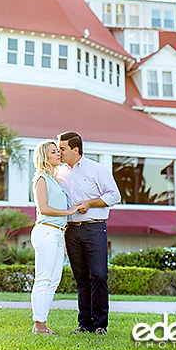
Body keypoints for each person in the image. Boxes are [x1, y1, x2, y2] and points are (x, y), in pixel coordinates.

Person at [56, 131, 121, 336]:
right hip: (71, 230)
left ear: (75, 150)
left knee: (99, 276)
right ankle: (84, 324)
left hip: (94, 227)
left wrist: (90, 203)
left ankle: (100, 325)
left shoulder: (96, 169)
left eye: (62, 149)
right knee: (81, 278)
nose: (59, 152)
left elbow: (114, 195)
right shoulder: (58, 173)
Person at [30, 139, 81, 335]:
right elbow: (44, 208)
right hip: (46, 231)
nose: (58, 154)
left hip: (58, 234)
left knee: (53, 280)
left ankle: (42, 322)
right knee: (43, 279)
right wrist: (69, 212)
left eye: (58, 151)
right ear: (45, 157)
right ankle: (38, 325)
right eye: (54, 152)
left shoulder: (54, 179)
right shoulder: (41, 178)